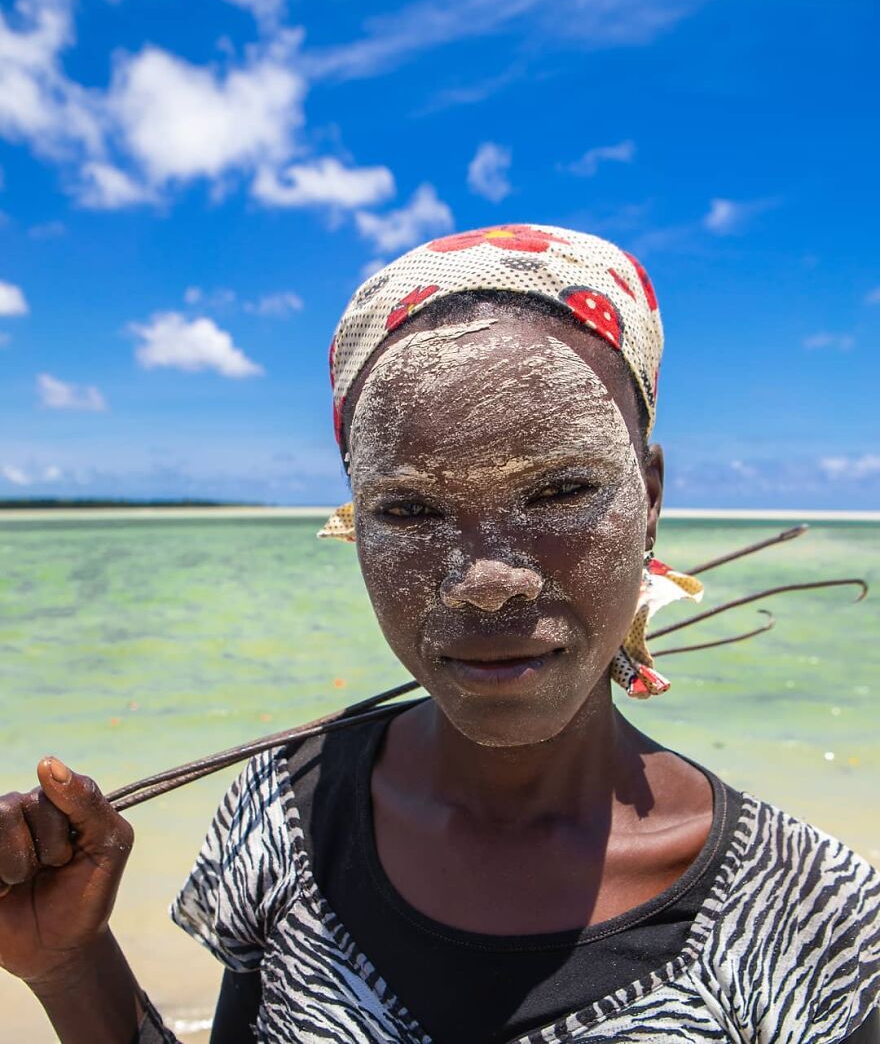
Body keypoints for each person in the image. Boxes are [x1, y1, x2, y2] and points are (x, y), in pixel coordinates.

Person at [0, 225, 877, 1044]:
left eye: (561, 492)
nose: (488, 582)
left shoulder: (817, 917)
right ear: (356, 525)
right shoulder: (290, 814)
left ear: (649, 497)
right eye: (411, 508)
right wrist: (71, 963)